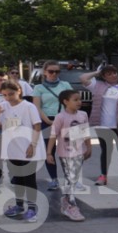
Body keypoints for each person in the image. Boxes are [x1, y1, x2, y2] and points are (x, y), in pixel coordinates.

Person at [0, 81, 45, 223]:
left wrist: (33, 145)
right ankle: (18, 205)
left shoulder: (29, 107)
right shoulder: (3, 106)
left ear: (19, 91)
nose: (8, 97)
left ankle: (32, 209)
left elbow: (37, 126)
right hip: (11, 148)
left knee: (29, 179)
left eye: (11, 94)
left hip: (26, 148)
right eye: (5, 95)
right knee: (17, 178)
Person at [48, 90, 91, 222]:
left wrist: (89, 146)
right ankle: (72, 206)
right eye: (75, 100)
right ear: (65, 102)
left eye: (80, 99)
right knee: (70, 178)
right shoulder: (61, 117)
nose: (79, 102)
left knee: (73, 178)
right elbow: (53, 135)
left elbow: (85, 132)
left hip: (79, 151)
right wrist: (49, 152)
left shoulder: (83, 114)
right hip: (65, 152)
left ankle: (65, 200)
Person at [31, 61, 73, 192]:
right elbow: (37, 107)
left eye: (57, 71)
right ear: (45, 72)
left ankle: (70, 179)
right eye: (51, 71)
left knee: (68, 150)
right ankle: (54, 179)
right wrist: (48, 121)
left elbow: (72, 102)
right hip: (46, 121)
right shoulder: (38, 88)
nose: (54, 74)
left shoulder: (65, 85)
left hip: (64, 120)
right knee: (48, 152)